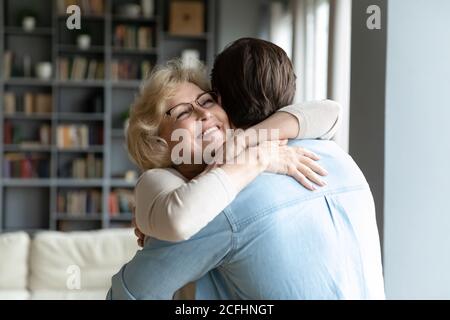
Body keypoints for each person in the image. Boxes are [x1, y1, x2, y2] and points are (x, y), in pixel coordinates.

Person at [108, 38, 385, 299]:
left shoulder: (225, 205)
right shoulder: (338, 157)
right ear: (157, 143)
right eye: (182, 112)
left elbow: (128, 295)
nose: (203, 113)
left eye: (207, 101)